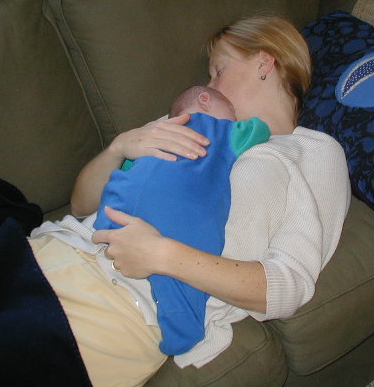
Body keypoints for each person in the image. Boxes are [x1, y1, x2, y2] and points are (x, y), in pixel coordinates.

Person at [31, 14, 351, 386]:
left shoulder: (312, 151)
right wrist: (119, 148)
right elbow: (82, 206)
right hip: (52, 252)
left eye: (218, 71)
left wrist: (163, 255)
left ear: (264, 63)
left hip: (122, 307)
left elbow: (287, 287)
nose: (207, 87)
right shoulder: (192, 118)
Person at [92, 84, 271, 355]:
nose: (234, 117)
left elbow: (128, 167)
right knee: (190, 259)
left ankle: (107, 232)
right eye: (231, 111)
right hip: (176, 209)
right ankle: (183, 328)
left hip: (118, 204)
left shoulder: (153, 135)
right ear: (205, 100)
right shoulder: (220, 130)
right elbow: (260, 129)